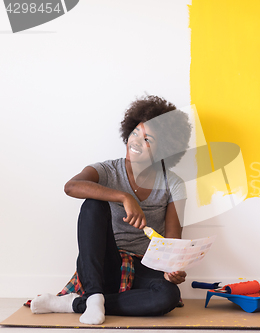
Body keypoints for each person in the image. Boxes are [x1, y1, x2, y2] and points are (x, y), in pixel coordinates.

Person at [30, 95, 192, 325]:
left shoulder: (173, 183)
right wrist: (124, 196)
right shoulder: (107, 170)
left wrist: (174, 270)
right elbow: (71, 187)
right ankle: (94, 295)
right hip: (104, 265)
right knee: (93, 202)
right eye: (135, 132)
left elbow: (174, 242)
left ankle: (75, 303)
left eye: (147, 139)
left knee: (168, 296)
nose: (135, 141)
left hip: (146, 266)